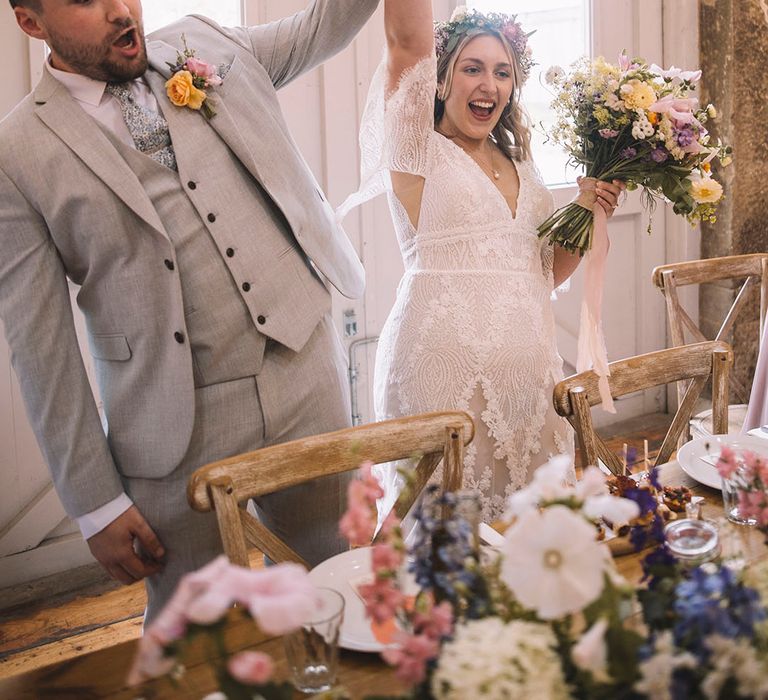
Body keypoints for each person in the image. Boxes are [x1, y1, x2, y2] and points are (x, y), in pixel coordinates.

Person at [1, 0, 377, 622]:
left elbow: (322, 25)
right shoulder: (17, 155)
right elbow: (42, 349)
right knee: (195, 628)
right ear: (31, 23)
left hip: (304, 370)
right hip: (174, 424)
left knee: (337, 582)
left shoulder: (203, 43)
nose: (121, 11)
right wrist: (94, 503)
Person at [339, 2, 625, 522]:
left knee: (531, 543)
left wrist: (585, 211)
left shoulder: (521, 163)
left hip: (530, 385)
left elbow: (543, 273)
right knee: (448, 551)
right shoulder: (416, 151)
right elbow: (406, 45)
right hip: (442, 381)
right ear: (441, 82)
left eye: (501, 72)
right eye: (472, 68)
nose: (488, 84)